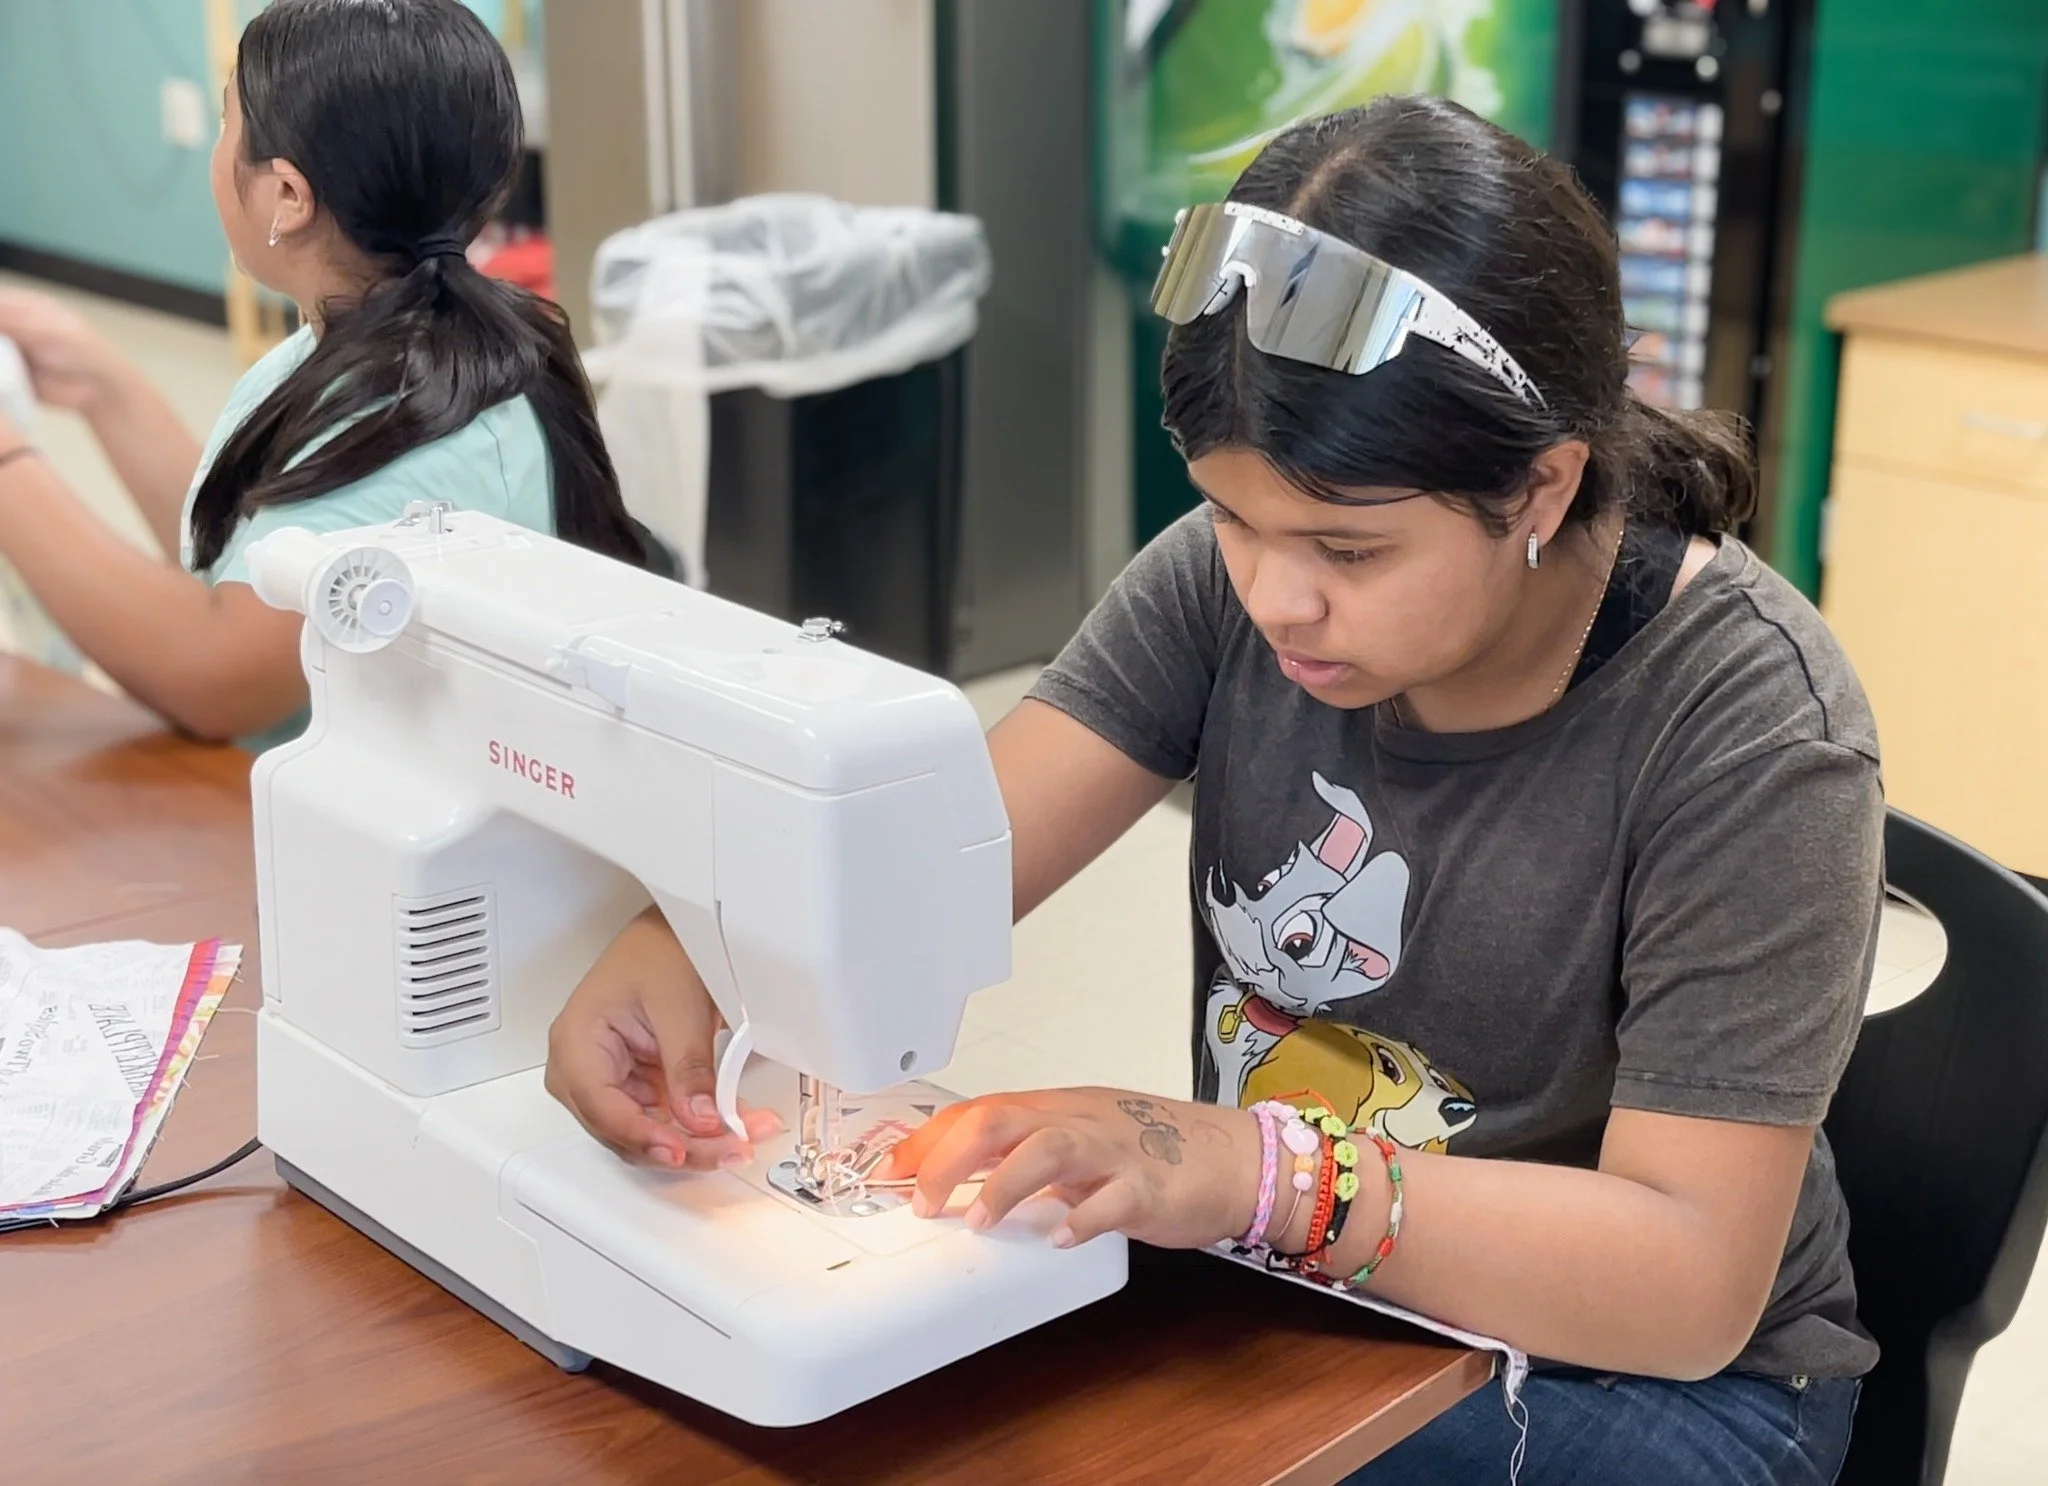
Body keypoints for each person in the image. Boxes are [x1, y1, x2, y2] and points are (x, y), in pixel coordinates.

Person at [543, 97, 1879, 1484]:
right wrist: (693, 944)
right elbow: (939, 857)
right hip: (1302, 1289)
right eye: (1234, 516)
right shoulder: (1225, 579)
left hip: (1659, 1380)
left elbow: (1686, 1275)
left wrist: (1248, 1168)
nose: (1277, 596)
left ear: (1542, 487)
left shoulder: (1754, 728)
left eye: (1348, 550)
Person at [0, 0, 647, 751]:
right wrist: (106, 389)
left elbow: (217, 679)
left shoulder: (406, 417)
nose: (217, 153)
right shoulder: (409, 343)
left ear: (286, 196)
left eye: (224, 124)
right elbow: (255, 548)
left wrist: (9, 467)